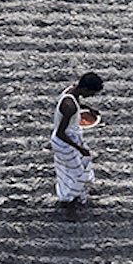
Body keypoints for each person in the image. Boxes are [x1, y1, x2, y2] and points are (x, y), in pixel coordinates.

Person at [51, 72, 104, 213]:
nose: (91, 96)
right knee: (76, 173)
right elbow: (60, 133)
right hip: (64, 142)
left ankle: (74, 196)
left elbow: (77, 102)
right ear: (85, 89)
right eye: (91, 93)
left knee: (74, 169)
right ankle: (69, 204)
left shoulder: (72, 90)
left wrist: (87, 108)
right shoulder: (69, 106)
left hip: (71, 138)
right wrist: (79, 148)